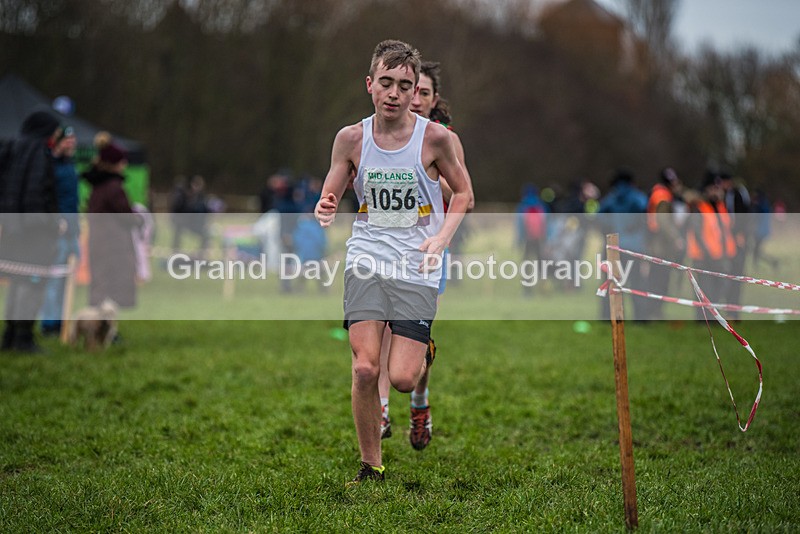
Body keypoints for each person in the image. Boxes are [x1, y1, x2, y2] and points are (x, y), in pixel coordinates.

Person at [314, 40, 470, 484]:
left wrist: (440, 238)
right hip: (366, 258)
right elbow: (332, 189)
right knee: (365, 366)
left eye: (405, 85)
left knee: (401, 378)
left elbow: (464, 194)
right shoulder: (351, 139)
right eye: (386, 83)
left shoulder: (436, 138)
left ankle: (422, 362)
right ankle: (371, 465)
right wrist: (325, 205)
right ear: (370, 85)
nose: (395, 93)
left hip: (417, 265)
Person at [376, 60, 475, 449]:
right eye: (411, 90)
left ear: (435, 101)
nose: (414, 99)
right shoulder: (383, 135)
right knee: (382, 326)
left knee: (412, 339)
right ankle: (382, 408)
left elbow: (466, 195)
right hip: (384, 247)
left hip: (428, 251)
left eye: (423, 93)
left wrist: (428, 181)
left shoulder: (443, 139)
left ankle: (419, 401)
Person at [0, 111, 62, 353]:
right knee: (32, 282)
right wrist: (53, 224)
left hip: (14, 231)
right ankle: (23, 337)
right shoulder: (38, 153)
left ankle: (11, 334)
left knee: (17, 281)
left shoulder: (13, 149)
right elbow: (38, 196)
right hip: (34, 235)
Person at [82, 133, 142, 316]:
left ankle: (99, 327)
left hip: (99, 241)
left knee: (101, 284)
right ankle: (103, 328)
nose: (125, 164)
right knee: (111, 287)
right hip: (113, 245)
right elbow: (126, 215)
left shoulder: (97, 186)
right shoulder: (113, 187)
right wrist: (139, 219)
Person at [40, 125, 81, 335]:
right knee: (52, 281)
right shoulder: (48, 166)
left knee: (67, 281)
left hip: (72, 230)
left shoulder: (69, 165)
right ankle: (49, 323)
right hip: (56, 232)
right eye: (68, 140)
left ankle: (62, 321)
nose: (71, 144)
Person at [597, 167, 649, 320]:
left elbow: (599, 217)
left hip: (612, 248)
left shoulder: (611, 198)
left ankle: (608, 316)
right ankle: (640, 317)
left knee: (610, 283)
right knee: (637, 284)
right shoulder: (637, 197)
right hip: (633, 248)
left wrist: (609, 230)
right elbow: (645, 216)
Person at [686, 170, 736, 320]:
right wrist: (707, 253)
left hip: (720, 256)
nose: (717, 191)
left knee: (719, 290)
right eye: (713, 188)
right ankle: (703, 321)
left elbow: (725, 230)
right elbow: (697, 233)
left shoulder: (720, 206)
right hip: (704, 257)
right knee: (705, 291)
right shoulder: (699, 207)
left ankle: (714, 319)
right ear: (706, 189)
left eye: (718, 188)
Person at [645, 167, 685, 320]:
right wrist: (676, 238)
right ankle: (654, 313)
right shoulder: (662, 195)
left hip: (659, 244)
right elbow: (663, 222)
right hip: (660, 246)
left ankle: (655, 312)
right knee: (659, 280)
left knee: (659, 279)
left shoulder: (661, 193)